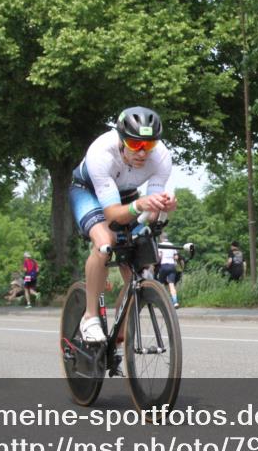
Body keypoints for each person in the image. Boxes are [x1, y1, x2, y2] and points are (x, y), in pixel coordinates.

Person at [69, 106, 177, 342]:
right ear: (121, 139)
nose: (142, 153)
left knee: (140, 261)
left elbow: (150, 215)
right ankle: (90, 317)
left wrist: (162, 208)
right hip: (88, 192)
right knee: (105, 242)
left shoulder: (162, 157)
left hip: (126, 195)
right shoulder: (101, 152)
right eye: (135, 144)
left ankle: (119, 331)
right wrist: (139, 205)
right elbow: (113, 217)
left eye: (149, 145)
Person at [156, 233, 182, 308]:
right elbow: (176, 257)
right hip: (172, 266)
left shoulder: (160, 245)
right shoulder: (172, 245)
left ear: (161, 238)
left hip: (164, 266)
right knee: (171, 284)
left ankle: (162, 301)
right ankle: (175, 302)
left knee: (160, 284)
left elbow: (159, 256)